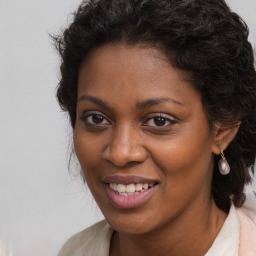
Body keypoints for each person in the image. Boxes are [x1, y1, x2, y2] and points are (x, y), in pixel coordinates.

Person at [54, 0, 256, 255]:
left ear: (222, 129)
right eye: (96, 118)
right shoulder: (75, 251)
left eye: (159, 121)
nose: (120, 152)